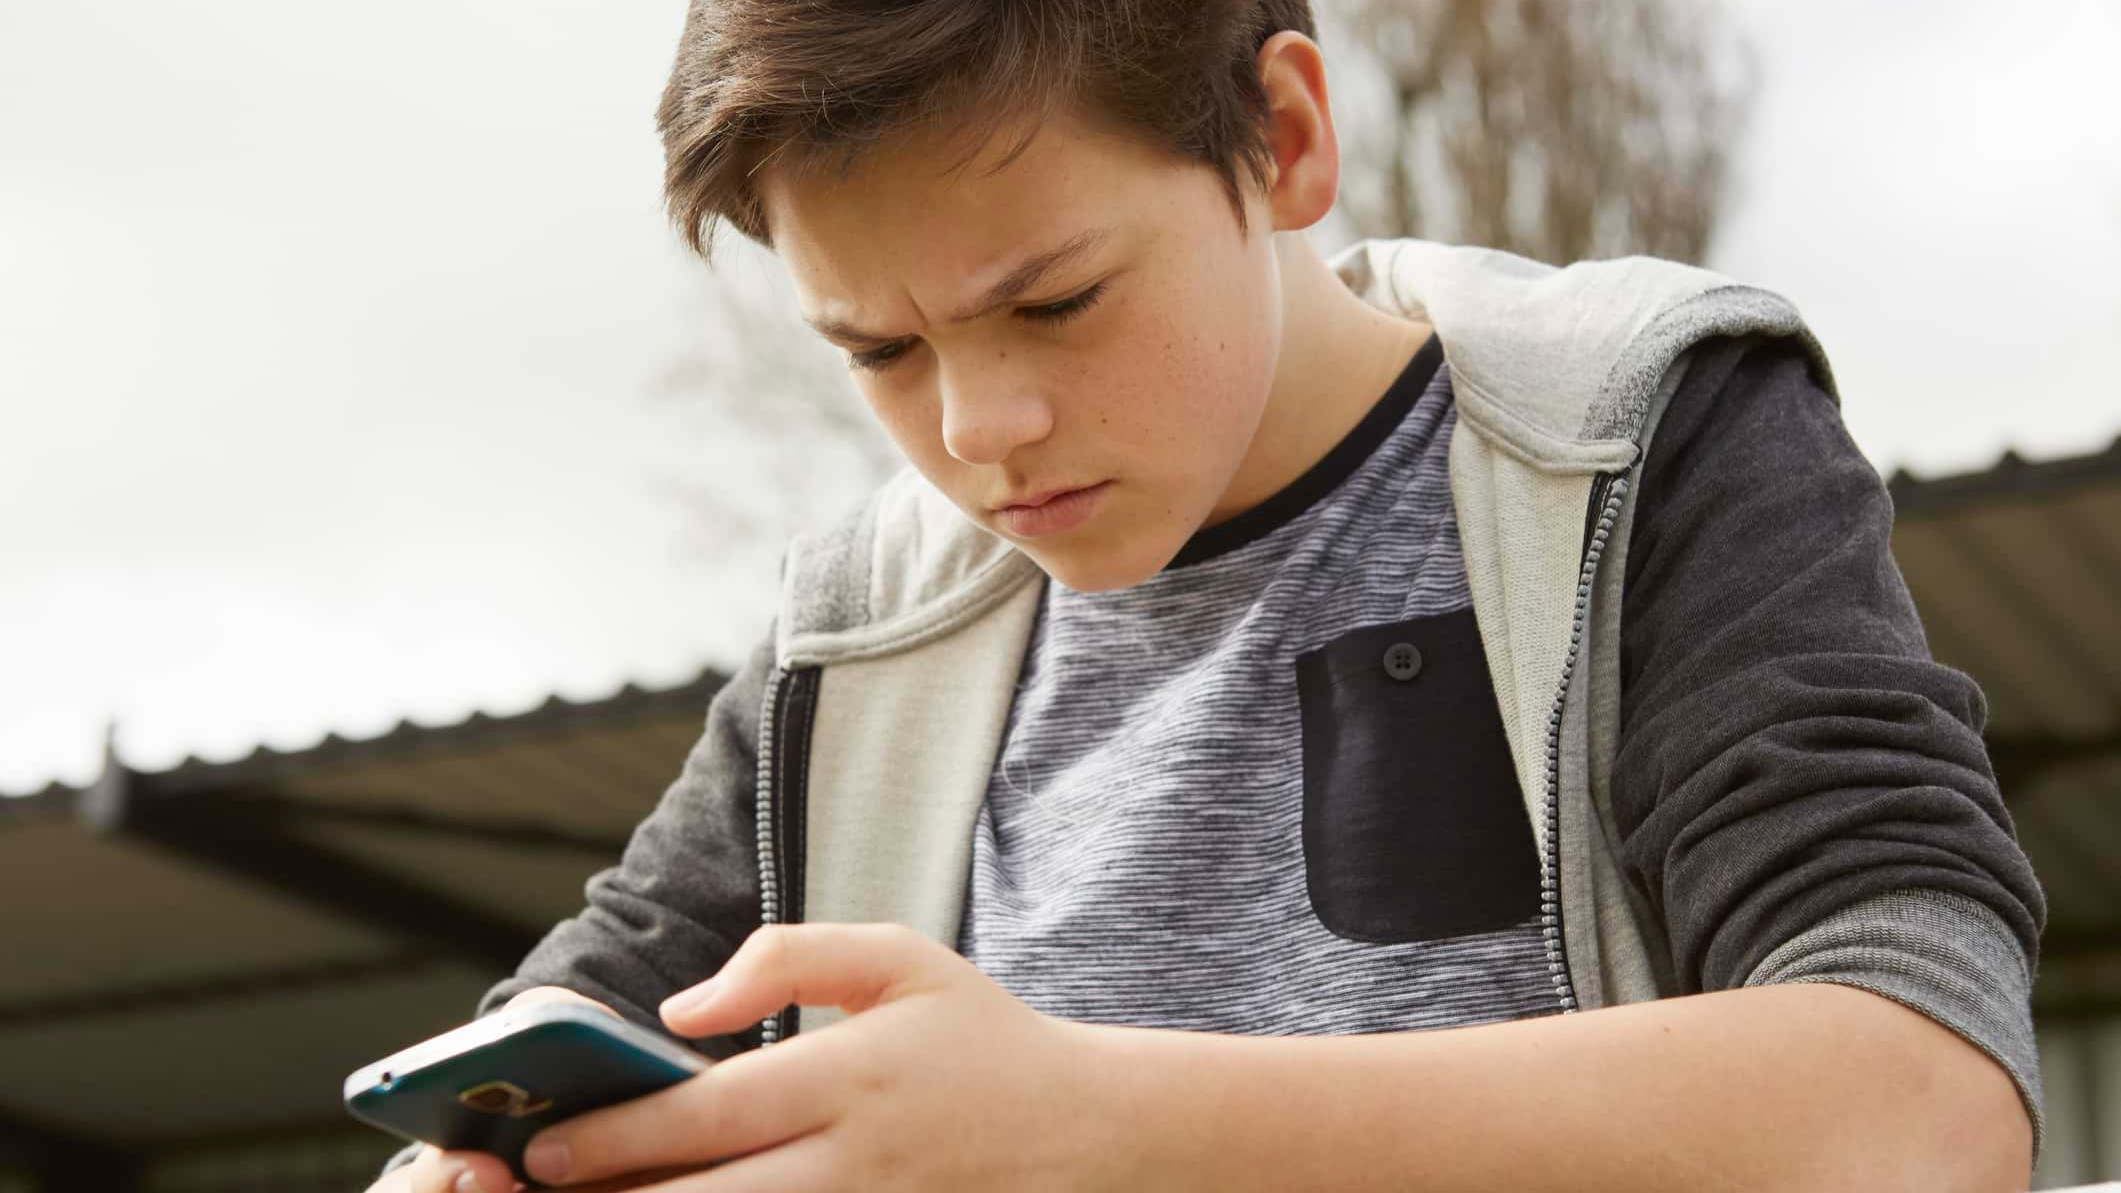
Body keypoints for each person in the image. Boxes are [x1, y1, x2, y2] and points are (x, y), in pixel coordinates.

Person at [373, 2, 2047, 1189]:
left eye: (1057, 300)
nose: (976, 428)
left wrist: (1081, 1125)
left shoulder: (1638, 435)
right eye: (877, 349)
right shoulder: (859, 629)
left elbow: (1922, 1106)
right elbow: (574, 1016)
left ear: (1288, 136)